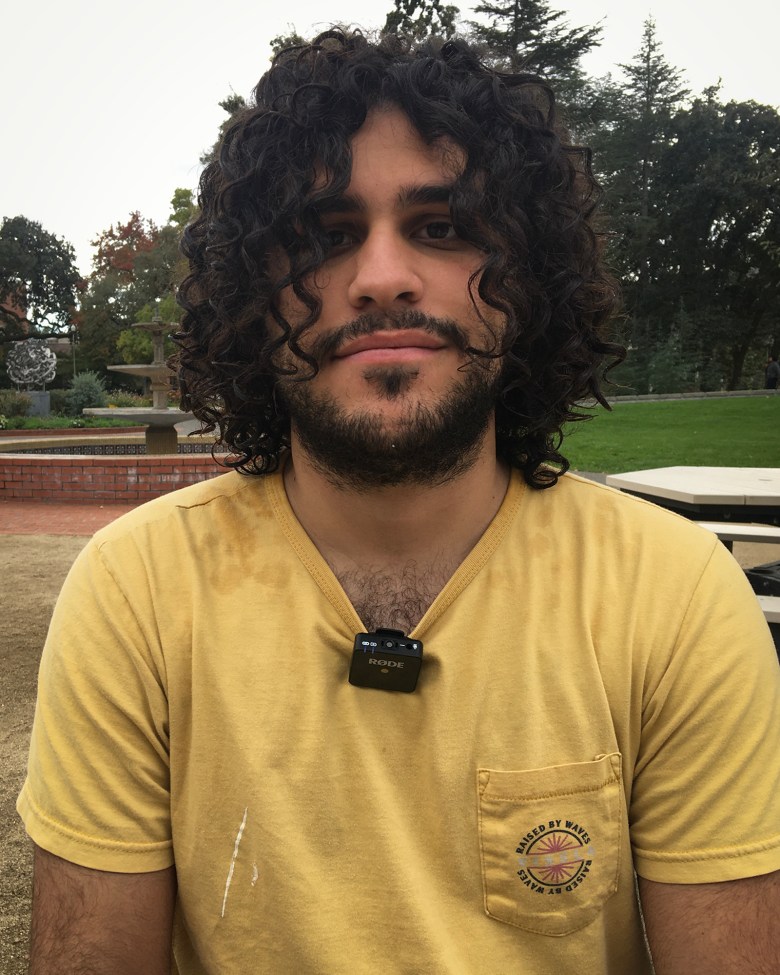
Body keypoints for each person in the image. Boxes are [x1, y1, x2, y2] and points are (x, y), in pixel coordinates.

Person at [18, 29, 779, 975]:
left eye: (444, 225)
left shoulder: (674, 597)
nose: (381, 276)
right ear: (253, 295)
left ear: (530, 279)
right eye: (328, 236)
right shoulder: (135, 595)